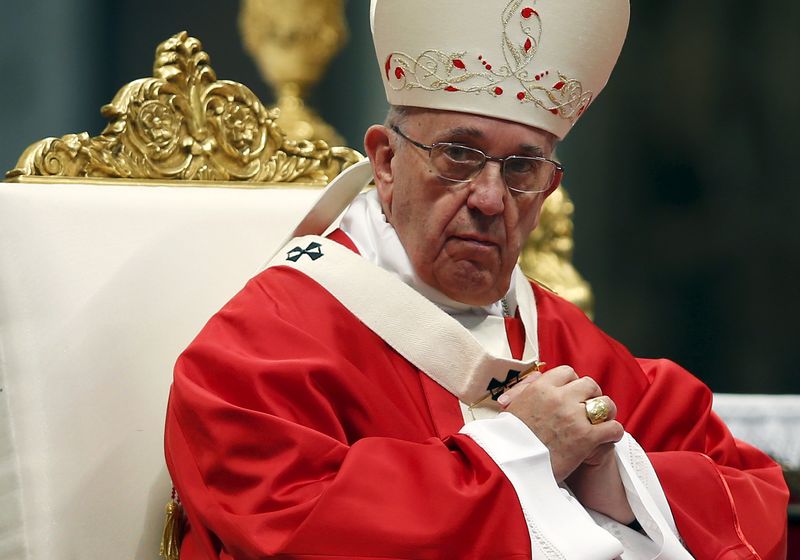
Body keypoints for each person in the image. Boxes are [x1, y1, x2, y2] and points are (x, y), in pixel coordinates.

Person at [164, 0, 789, 558]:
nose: (491, 198)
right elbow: (297, 529)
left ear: (548, 191)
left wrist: (620, 480)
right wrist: (525, 453)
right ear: (385, 160)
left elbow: (753, 498)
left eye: (522, 167)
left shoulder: (565, 344)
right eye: (458, 155)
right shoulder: (262, 347)